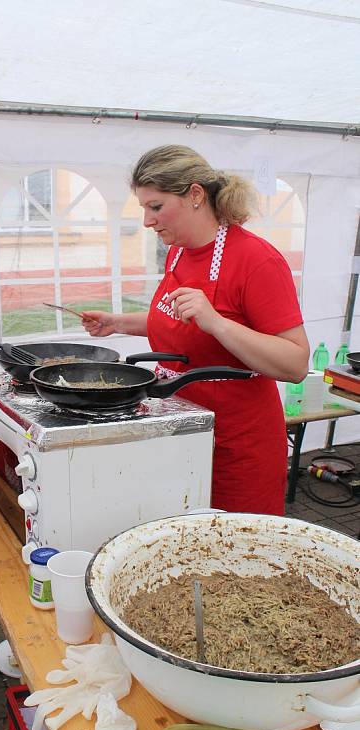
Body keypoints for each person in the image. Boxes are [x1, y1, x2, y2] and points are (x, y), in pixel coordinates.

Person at [83, 145, 309, 515]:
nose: (147, 221)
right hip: (177, 428)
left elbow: (296, 362)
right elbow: (181, 324)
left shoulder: (257, 260)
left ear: (195, 195)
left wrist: (218, 323)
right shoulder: (178, 252)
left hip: (237, 442)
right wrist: (117, 322)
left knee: (233, 551)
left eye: (156, 207)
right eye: (143, 209)